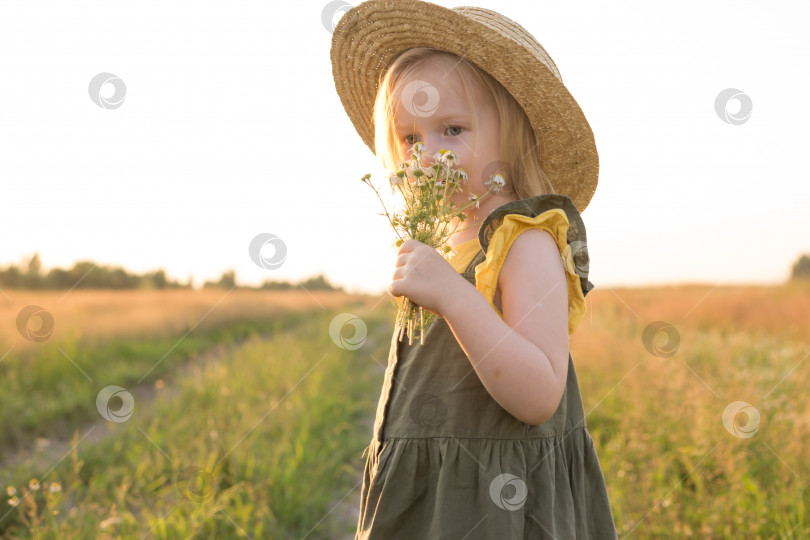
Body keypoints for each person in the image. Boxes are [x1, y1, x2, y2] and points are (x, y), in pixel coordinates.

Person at [331, 1, 618, 538]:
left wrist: (454, 296)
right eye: (411, 139)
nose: (427, 157)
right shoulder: (444, 241)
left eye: (452, 129)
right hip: (431, 494)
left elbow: (538, 394)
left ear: (514, 134)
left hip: (497, 503)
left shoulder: (524, 240)